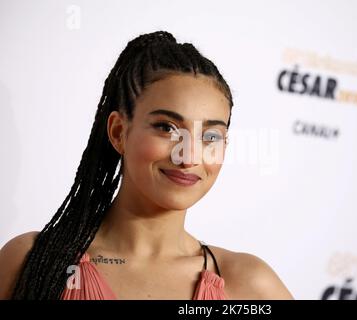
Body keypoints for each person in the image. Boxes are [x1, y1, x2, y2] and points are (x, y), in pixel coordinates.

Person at [0, 31, 294, 300]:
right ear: (118, 132)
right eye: (167, 128)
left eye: (210, 136)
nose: (189, 156)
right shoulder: (31, 262)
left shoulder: (248, 286)